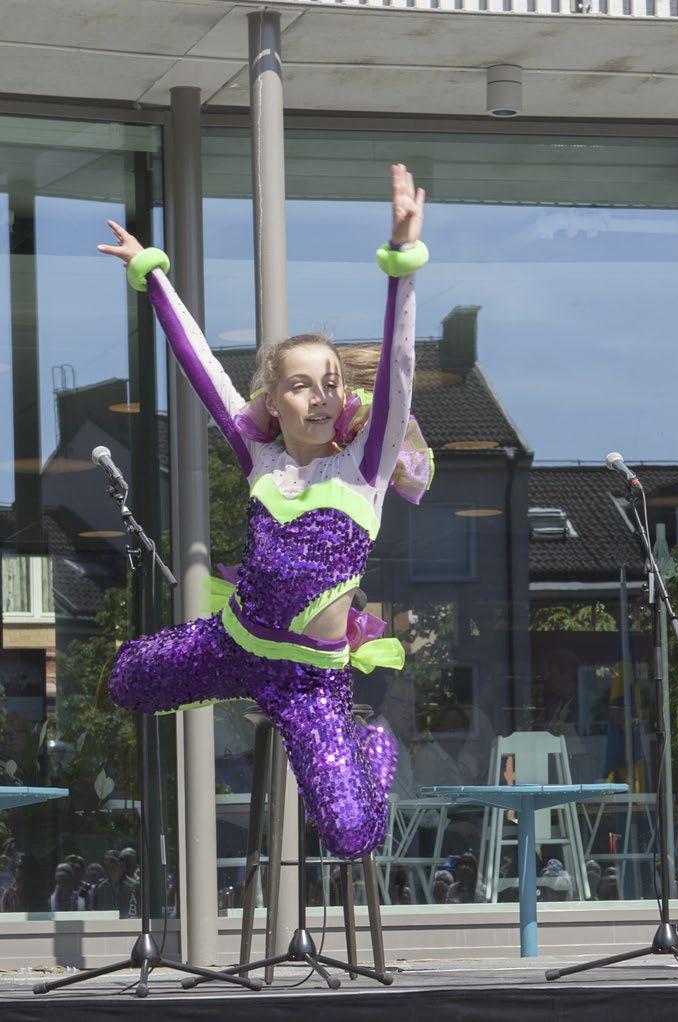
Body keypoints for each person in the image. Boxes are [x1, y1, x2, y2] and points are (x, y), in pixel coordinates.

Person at [99, 164, 430, 861]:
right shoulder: (262, 461)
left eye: (331, 384)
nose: (319, 396)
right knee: (127, 678)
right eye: (300, 385)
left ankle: (375, 748)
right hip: (234, 642)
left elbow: (399, 367)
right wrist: (150, 274)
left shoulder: (363, 471)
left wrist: (402, 261)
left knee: (351, 836)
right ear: (274, 401)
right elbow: (200, 368)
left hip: (311, 680)